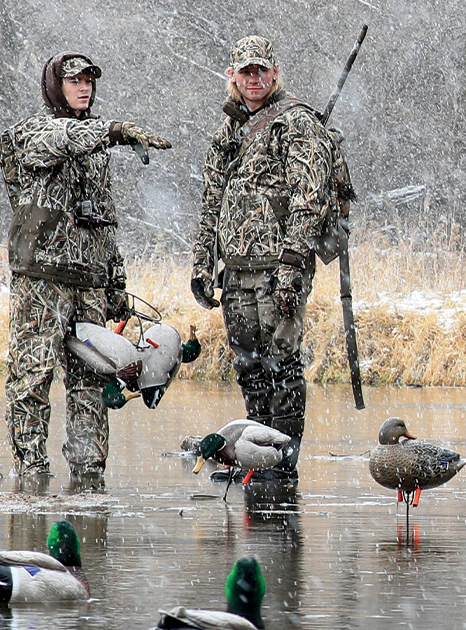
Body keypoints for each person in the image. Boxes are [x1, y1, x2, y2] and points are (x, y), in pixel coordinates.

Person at [3, 51, 171, 481]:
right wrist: (111, 130)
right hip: (42, 279)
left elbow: (105, 216)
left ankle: (88, 472)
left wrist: (115, 282)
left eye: (89, 81)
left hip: (90, 281)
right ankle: (31, 472)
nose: (83, 88)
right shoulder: (33, 131)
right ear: (54, 86)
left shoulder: (96, 147)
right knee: (33, 376)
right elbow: (62, 139)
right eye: (74, 80)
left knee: (91, 382)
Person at [191, 36, 336, 482]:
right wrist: (202, 263)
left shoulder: (295, 122)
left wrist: (292, 266)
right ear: (232, 76)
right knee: (249, 365)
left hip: (278, 268)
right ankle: (258, 458)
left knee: (283, 363)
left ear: (275, 72)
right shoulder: (228, 131)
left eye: (261, 71)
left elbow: (309, 197)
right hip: (235, 270)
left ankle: (283, 464)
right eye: (245, 71)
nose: (253, 79)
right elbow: (211, 200)